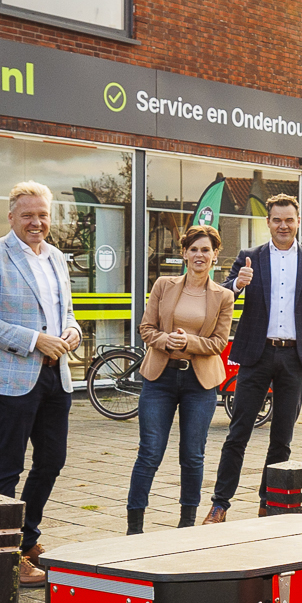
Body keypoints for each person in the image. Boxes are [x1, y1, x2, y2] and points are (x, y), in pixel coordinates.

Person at [205, 195, 302, 523]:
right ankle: (220, 504)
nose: (283, 225)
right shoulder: (250, 258)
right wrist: (236, 285)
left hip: (294, 358)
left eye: (289, 220)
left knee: (281, 439)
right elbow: (223, 295)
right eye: (277, 220)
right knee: (238, 432)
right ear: (269, 222)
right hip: (257, 354)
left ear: (298, 222)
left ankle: (268, 504)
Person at [0, 181, 82, 586]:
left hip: (56, 374)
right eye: (28, 215)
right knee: (8, 466)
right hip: (15, 375)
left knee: (52, 460)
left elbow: (67, 315)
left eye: (43, 215)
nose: (37, 222)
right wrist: (34, 340)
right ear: (11, 216)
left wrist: (73, 334)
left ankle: (26, 537)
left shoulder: (56, 258)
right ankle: (3, 556)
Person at [127, 225, 235, 533]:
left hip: (199, 384)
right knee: (149, 451)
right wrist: (165, 341)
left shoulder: (223, 296)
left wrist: (186, 342)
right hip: (160, 377)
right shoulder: (164, 285)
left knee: (192, 454)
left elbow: (217, 343)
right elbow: (146, 328)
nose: (199, 255)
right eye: (194, 249)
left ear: (215, 255)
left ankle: (186, 525)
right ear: (183, 253)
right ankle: (134, 528)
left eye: (206, 250)